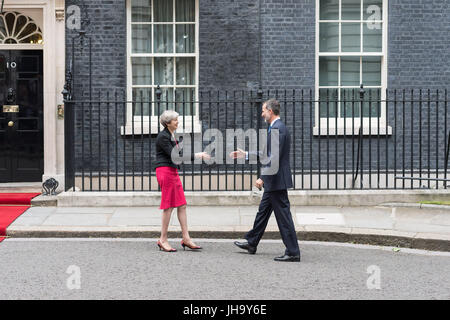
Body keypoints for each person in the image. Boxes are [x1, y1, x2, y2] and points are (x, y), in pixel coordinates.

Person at [230, 99, 301, 262]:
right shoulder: (275, 128)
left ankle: (292, 251)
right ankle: (252, 242)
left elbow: (274, 158)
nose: (262, 113)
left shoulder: (278, 129)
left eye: (263, 110)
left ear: (270, 111)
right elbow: (267, 154)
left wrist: (263, 177)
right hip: (274, 182)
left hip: (276, 181)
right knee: (262, 213)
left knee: (284, 217)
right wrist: (246, 154)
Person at [155, 110, 210, 252]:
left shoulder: (170, 135)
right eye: (175, 120)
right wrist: (197, 155)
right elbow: (176, 156)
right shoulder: (163, 137)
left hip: (172, 171)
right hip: (165, 171)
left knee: (182, 205)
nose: (177, 122)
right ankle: (163, 239)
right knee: (168, 206)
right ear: (167, 123)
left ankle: (186, 238)